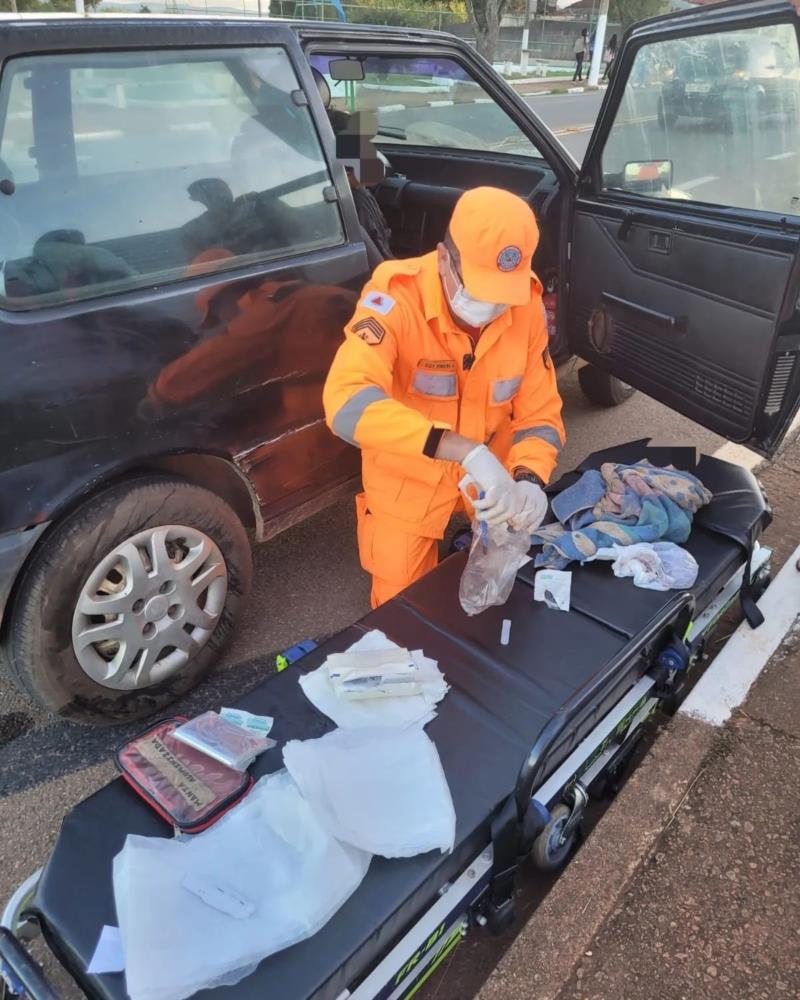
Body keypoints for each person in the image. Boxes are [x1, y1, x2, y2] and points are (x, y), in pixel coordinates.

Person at [323, 186, 565, 608]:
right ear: (442, 258)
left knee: (504, 602)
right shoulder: (395, 298)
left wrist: (529, 479)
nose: (491, 306)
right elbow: (345, 404)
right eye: (480, 289)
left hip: (494, 483)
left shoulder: (524, 305)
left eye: (500, 295)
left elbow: (540, 412)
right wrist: (464, 451)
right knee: (400, 610)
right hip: (410, 479)